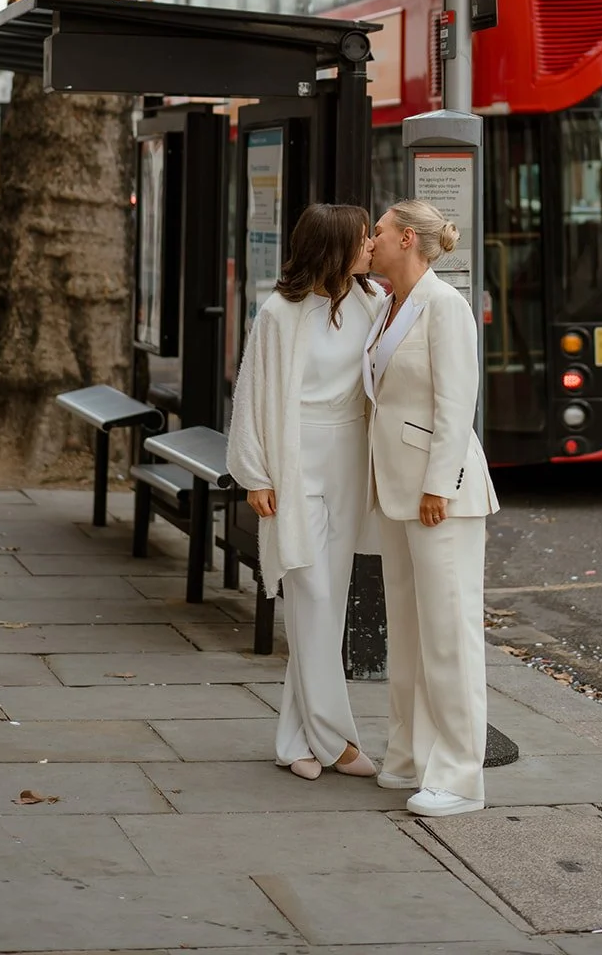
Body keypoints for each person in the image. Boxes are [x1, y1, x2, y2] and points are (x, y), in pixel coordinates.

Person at [227, 202, 382, 781]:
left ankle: (294, 741)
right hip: (296, 463)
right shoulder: (279, 313)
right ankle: (335, 739)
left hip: (349, 461)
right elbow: (252, 395)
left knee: (329, 603)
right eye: (363, 238)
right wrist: (256, 474)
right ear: (335, 246)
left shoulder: (371, 303)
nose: (371, 246)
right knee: (313, 598)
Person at [364, 198, 500, 817]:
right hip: (397, 489)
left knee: (449, 636)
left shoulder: (447, 306)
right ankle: (410, 756)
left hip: (439, 495)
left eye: (380, 232)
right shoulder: (386, 303)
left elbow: (456, 406)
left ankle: (460, 776)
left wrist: (438, 487)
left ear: (410, 240)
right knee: (411, 633)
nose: (371, 241)